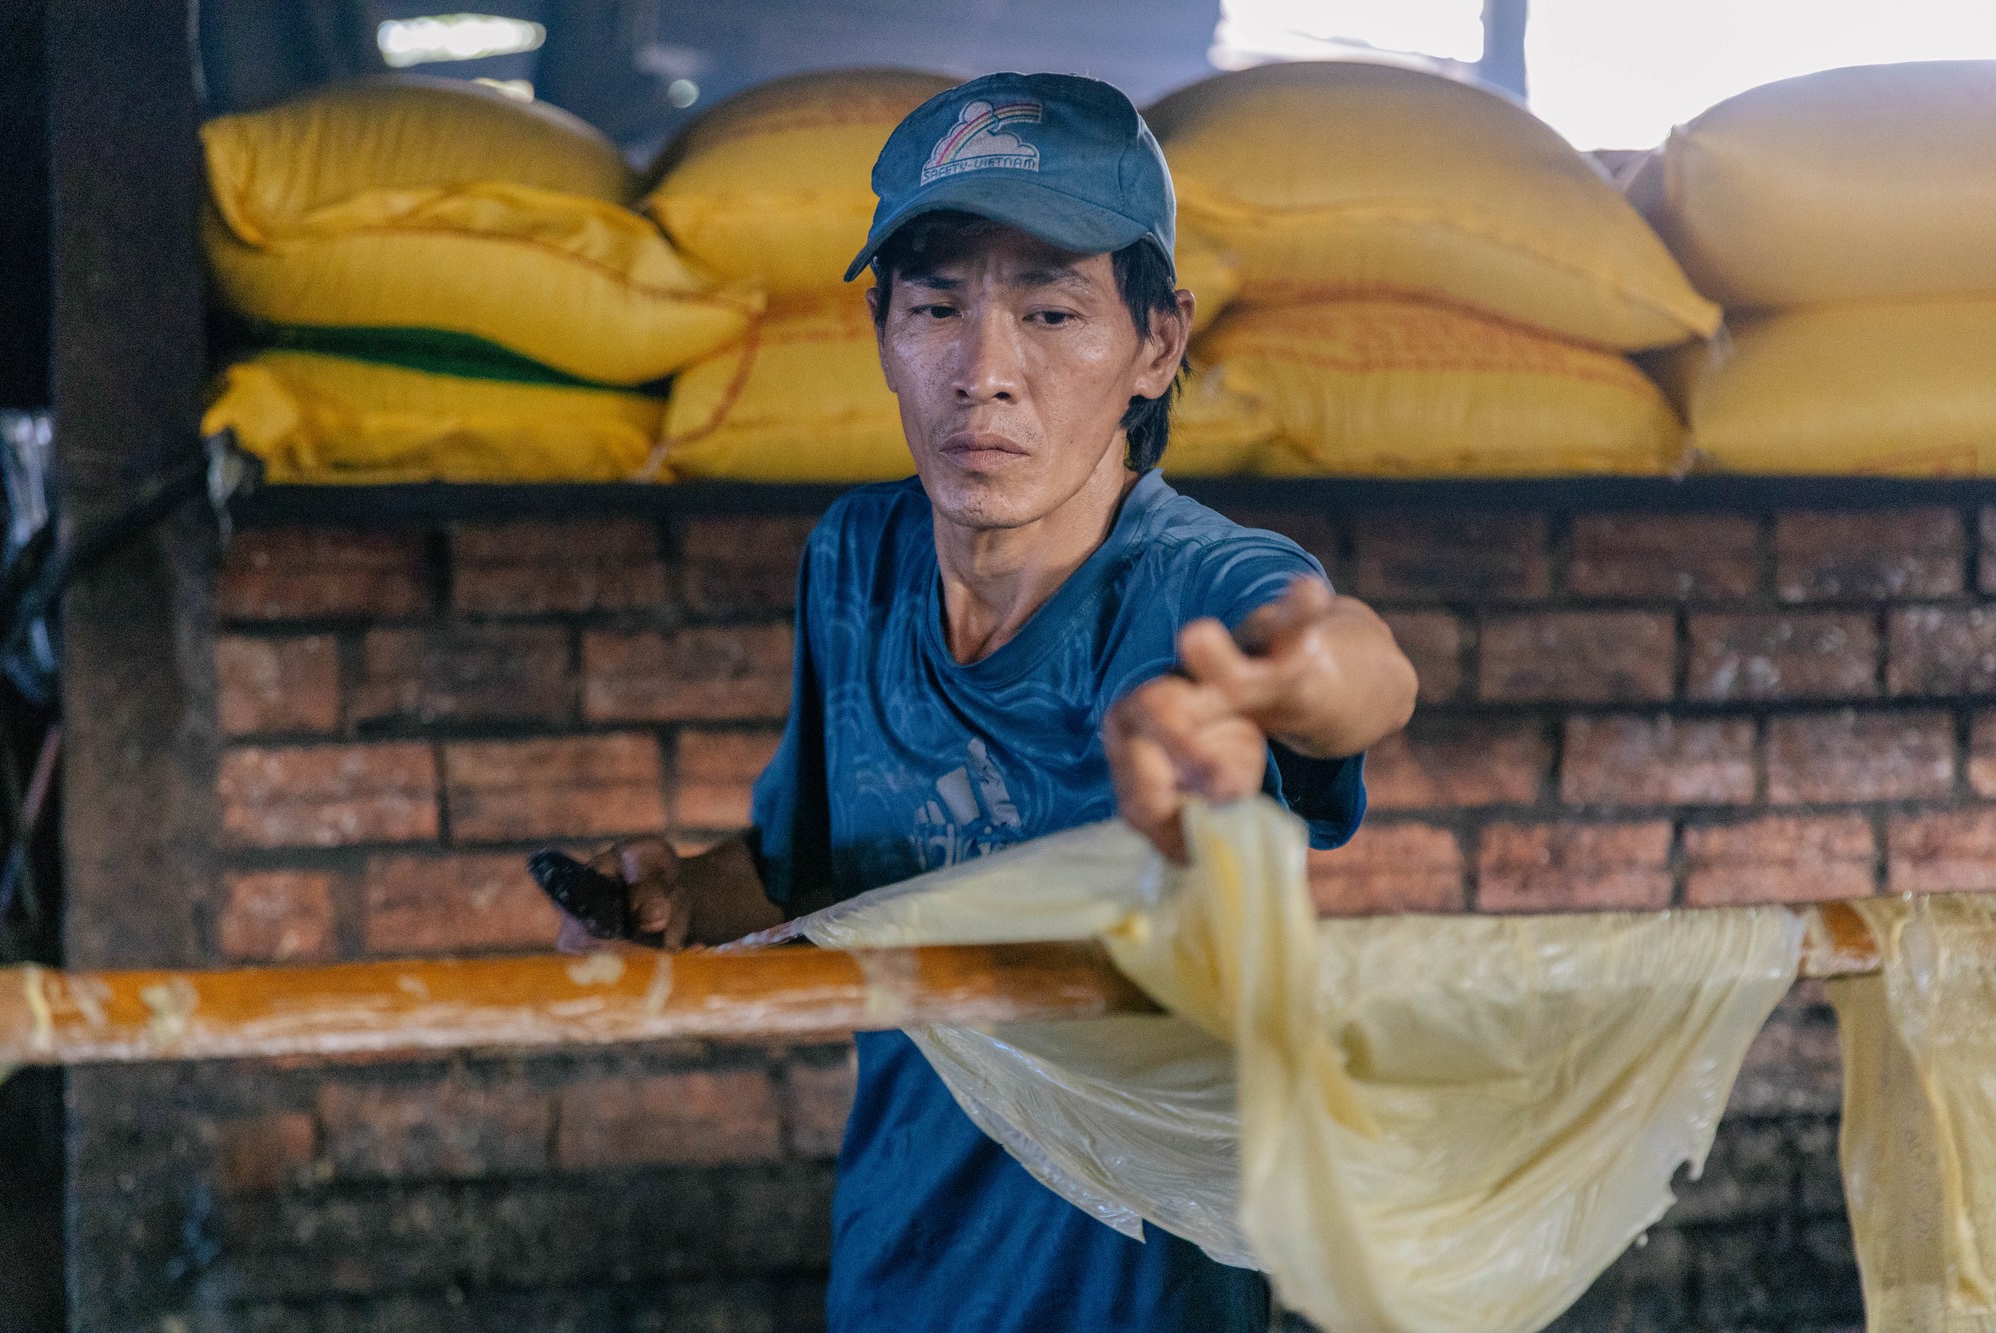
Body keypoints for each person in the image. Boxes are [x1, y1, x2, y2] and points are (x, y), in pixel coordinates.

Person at [547, 71, 1418, 1333]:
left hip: (1134, 1294)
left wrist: (1288, 680)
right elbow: (811, 873)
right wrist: (678, 900)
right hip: (900, 1263)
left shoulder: (1194, 584)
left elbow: (1360, 668)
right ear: (880, 333)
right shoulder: (857, 561)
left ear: (1155, 345)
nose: (982, 371)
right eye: (937, 308)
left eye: (1053, 312)